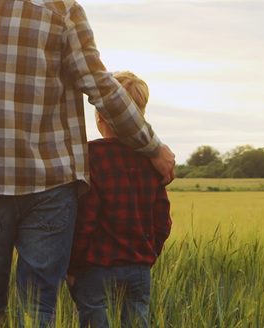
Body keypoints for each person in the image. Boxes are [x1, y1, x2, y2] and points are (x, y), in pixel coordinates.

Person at [0, 1, 175, 327]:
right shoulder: (61, 9)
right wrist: (152, 147)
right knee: (38, 309)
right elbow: (99, 86)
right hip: (50, 186)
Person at [67, 71, 172, 328]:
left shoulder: (91, 156)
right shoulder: (152, 160)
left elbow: (86, 220)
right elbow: (162, 222)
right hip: (139, 268)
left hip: (95, 267)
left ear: (101, 115)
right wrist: (147, 255)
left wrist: (72, 265)